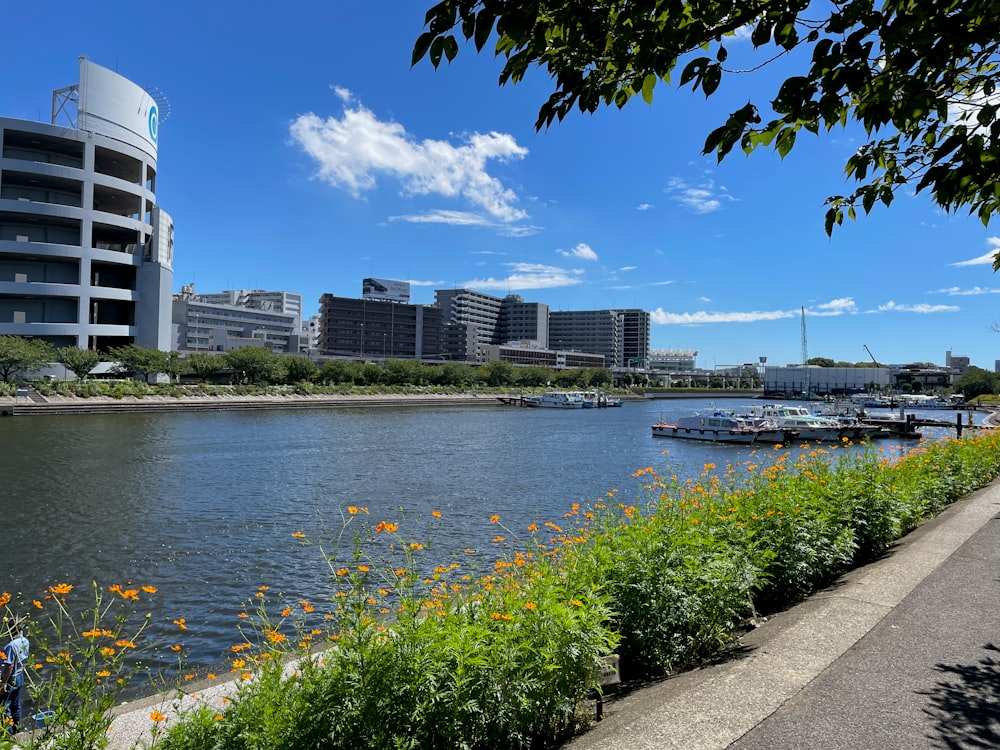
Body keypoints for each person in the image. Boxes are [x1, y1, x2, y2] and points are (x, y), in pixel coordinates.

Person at [1, 620, 29, 734]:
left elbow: (9, 666)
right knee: (16, 705)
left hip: (11, 678)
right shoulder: (25, 641)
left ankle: (8, 732)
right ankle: (18, 729)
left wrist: (4, 683)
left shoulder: (11, 645)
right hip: (20, 675)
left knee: (5, 707)